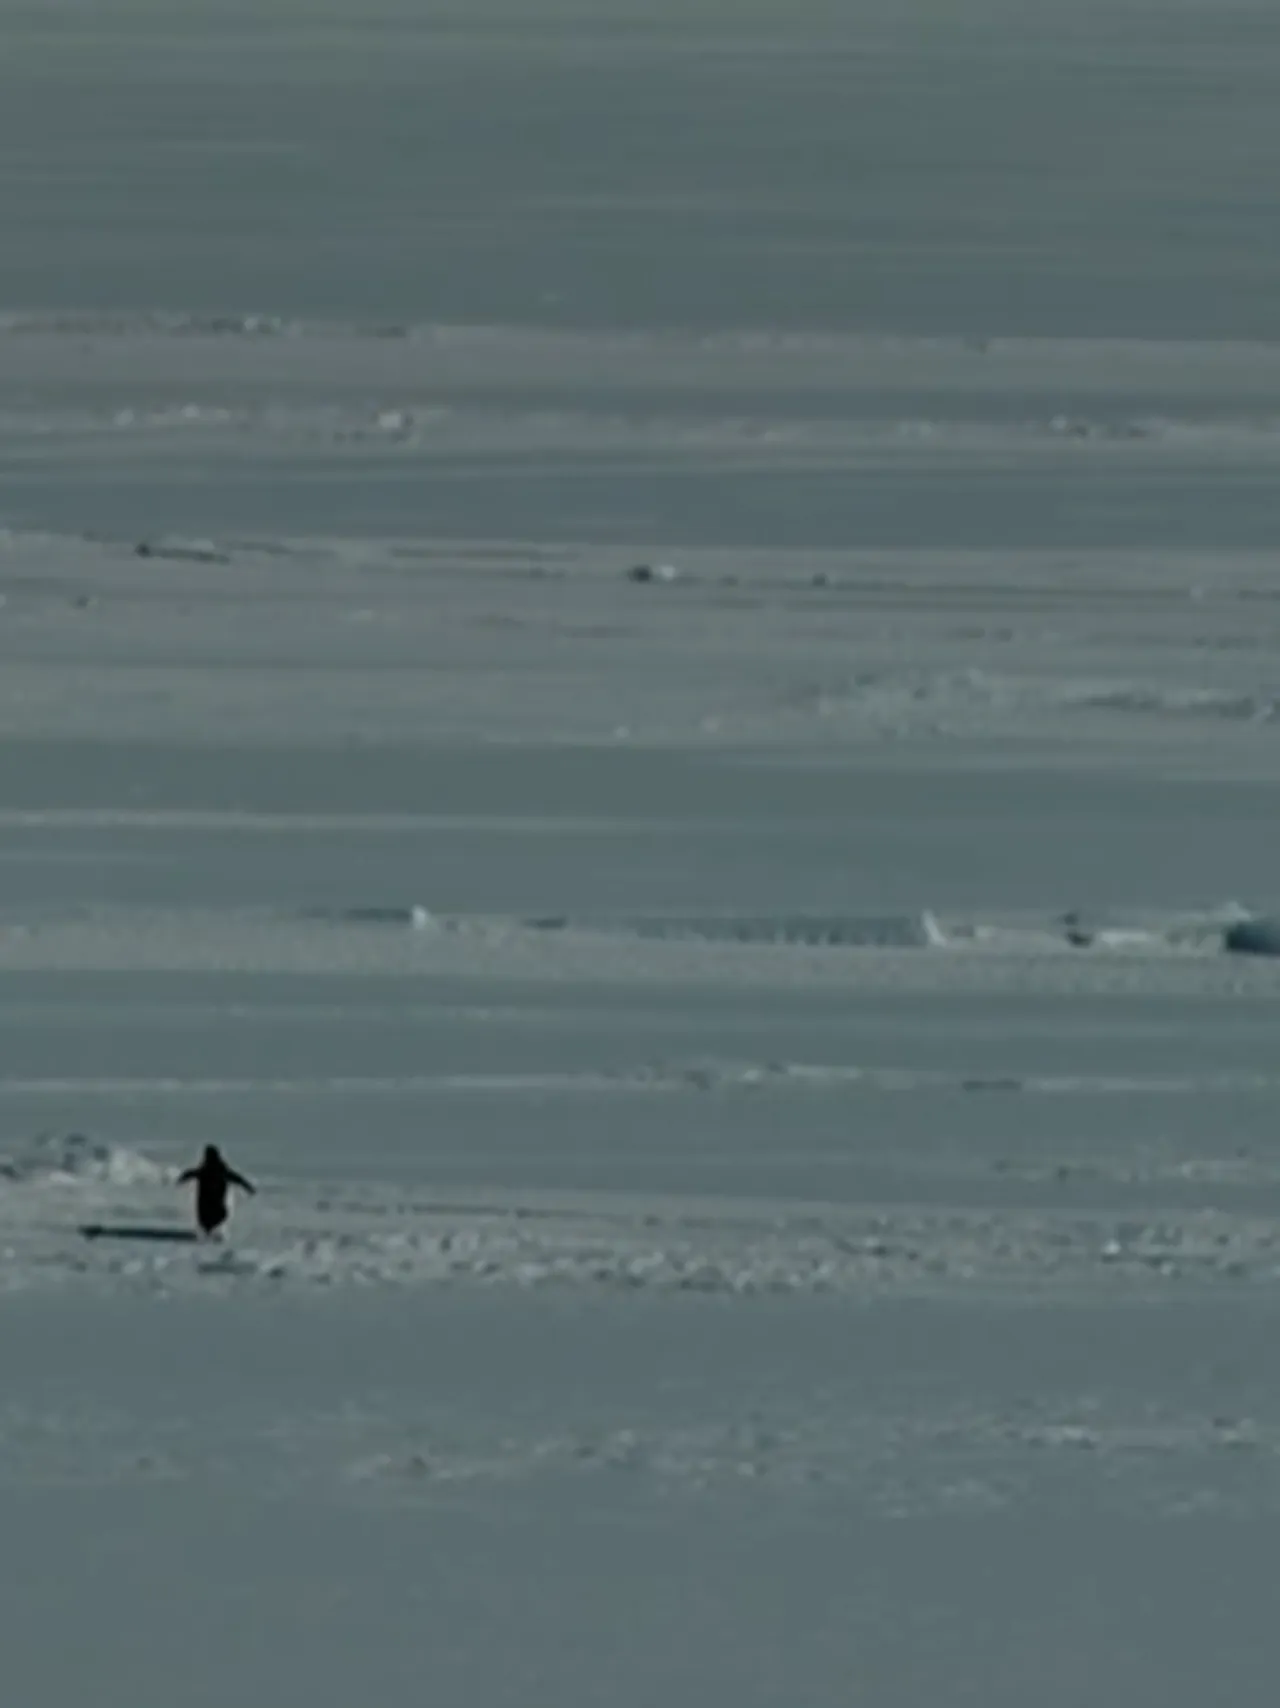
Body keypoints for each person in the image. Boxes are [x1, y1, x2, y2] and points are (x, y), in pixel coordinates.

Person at [177, 1145, 256, 1238]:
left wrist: (182, 1178)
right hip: (211, 1207)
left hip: (211, 1207)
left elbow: (191, 1173)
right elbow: (237, 1178)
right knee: (211, 1219)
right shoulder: (217, 1170)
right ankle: (210, 1234)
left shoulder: (210, 1170)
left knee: (210, 1219)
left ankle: (210, 1234)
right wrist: (247, 1187)